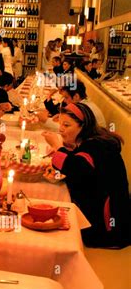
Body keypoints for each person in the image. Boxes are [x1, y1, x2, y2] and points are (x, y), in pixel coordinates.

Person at [42, 103, 130, 248]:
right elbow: (85, 170)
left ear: (83, 126)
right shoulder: (95, 140)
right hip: (103, 210)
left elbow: (76, 170)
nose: (61, 129)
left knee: (56, 233)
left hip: (107, 228)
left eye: (67, 125)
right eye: (60, 124)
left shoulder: (96, 146)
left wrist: (59, 148)